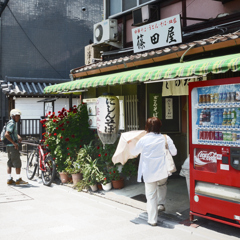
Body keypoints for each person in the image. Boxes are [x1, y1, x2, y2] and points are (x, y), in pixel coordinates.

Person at [129, 117, 177, 226]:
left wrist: (131, 143)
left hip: (149, 173)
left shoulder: (143, 140)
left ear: (146, 127)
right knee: (162, 185)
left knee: (151, 195)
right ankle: (161, 204)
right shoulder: (165, 138)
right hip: (163, 171)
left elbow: (134, 153)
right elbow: (174, 153)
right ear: (159, 126)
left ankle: (152, 220)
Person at [6, 109, 28, 185]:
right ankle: (18, 179)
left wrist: (18, 136)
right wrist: (14, 143)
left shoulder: (11, 123)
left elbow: (12, 133)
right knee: (17, 163)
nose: (19, 118)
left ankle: (9, 179)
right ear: (13, 116)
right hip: (12, 146)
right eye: (17, 116)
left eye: (19, 116)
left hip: (9, 146)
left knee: (10, 162)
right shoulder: (12, 123)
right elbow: (6, 134)